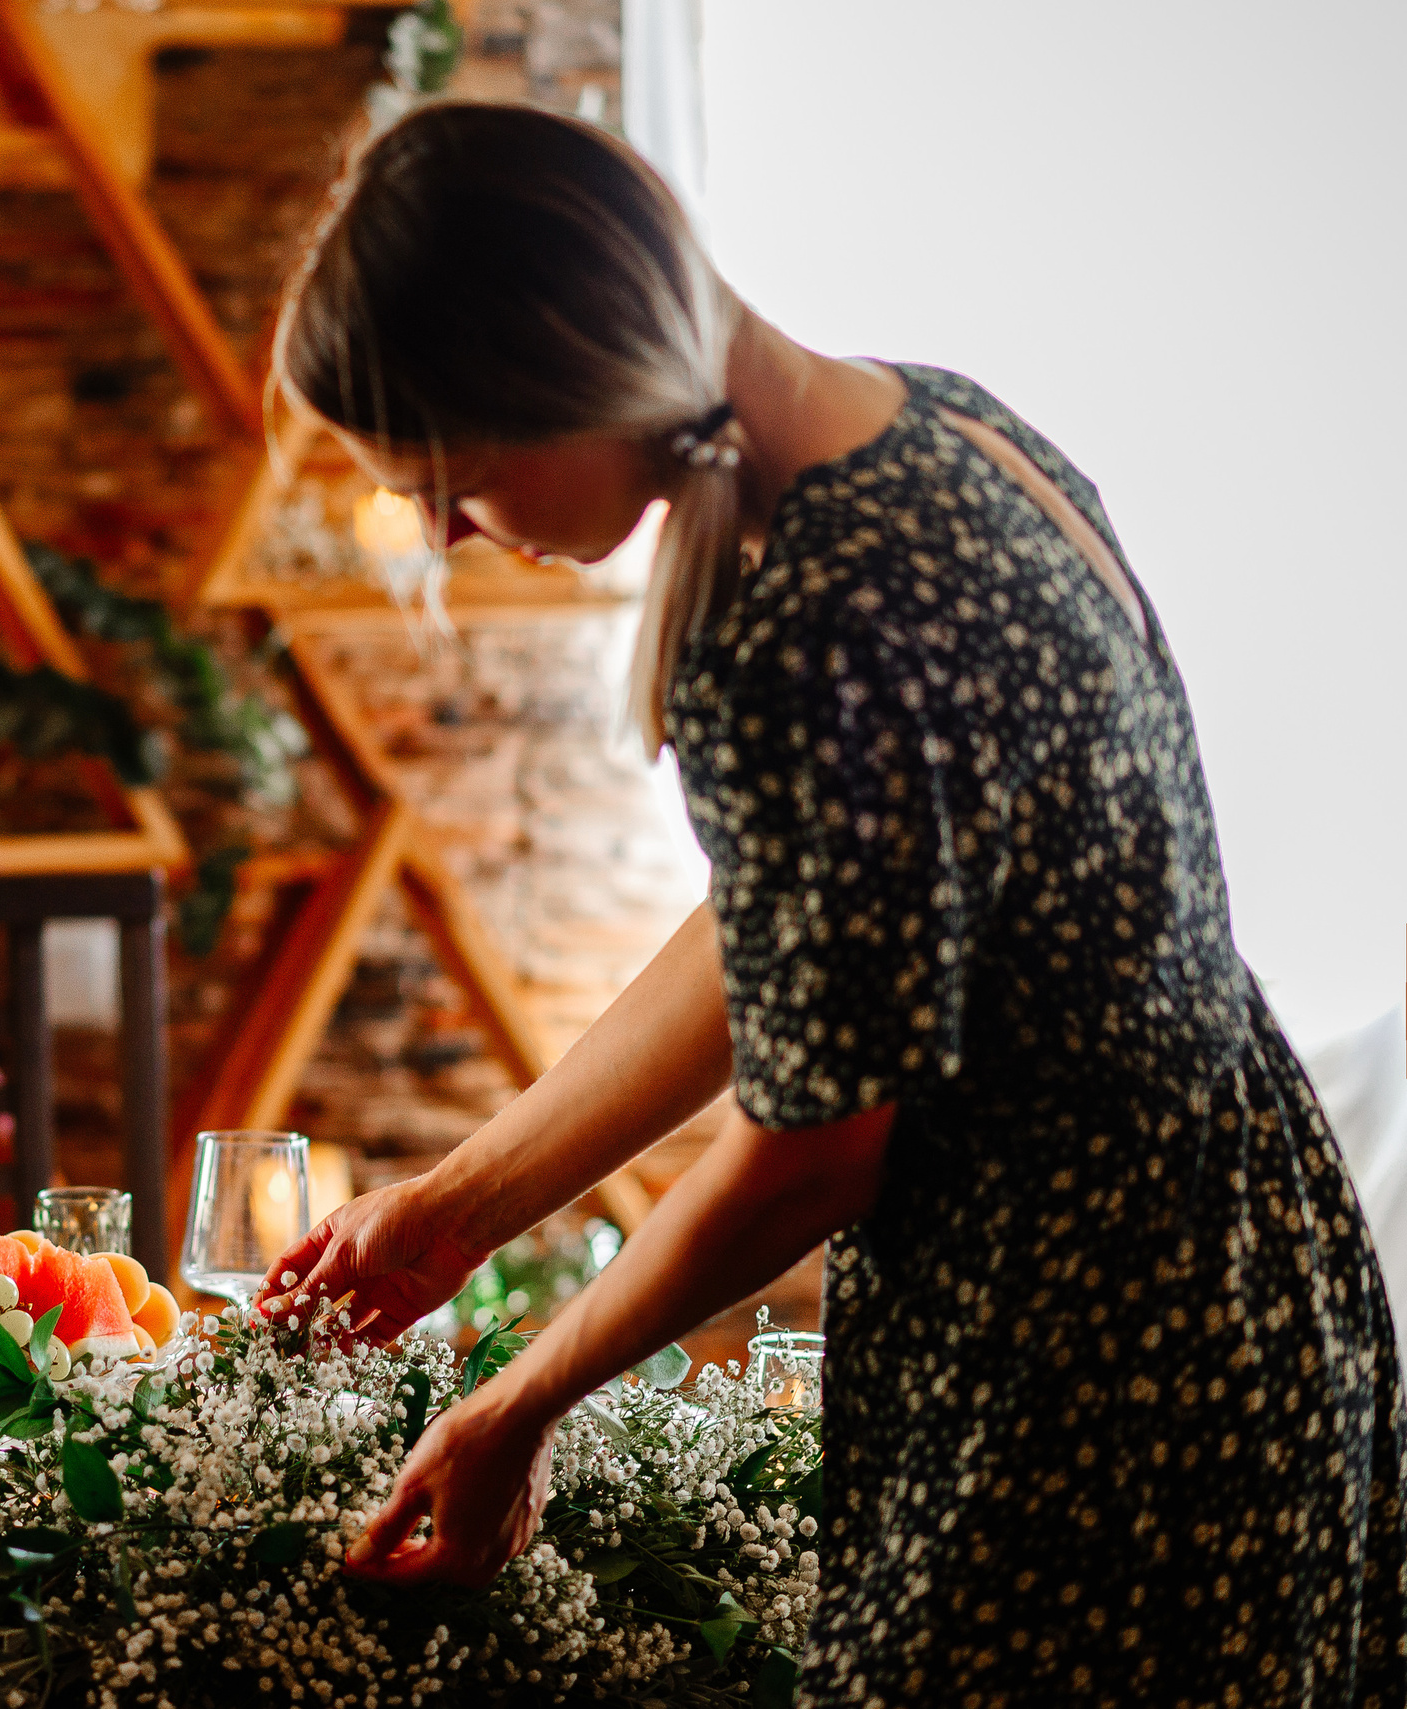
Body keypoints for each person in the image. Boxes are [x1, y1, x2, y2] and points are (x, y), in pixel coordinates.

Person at [264, 99, 1404, 1704]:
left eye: (449, 470)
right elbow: (788, 932)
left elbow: (812, 1147)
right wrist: (459, 1210)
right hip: (1240, 1275)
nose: (452, 527)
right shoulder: (938, 425)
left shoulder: (793, 614)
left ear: (553, 363)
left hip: (1084, 1358)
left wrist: (516, 1403)